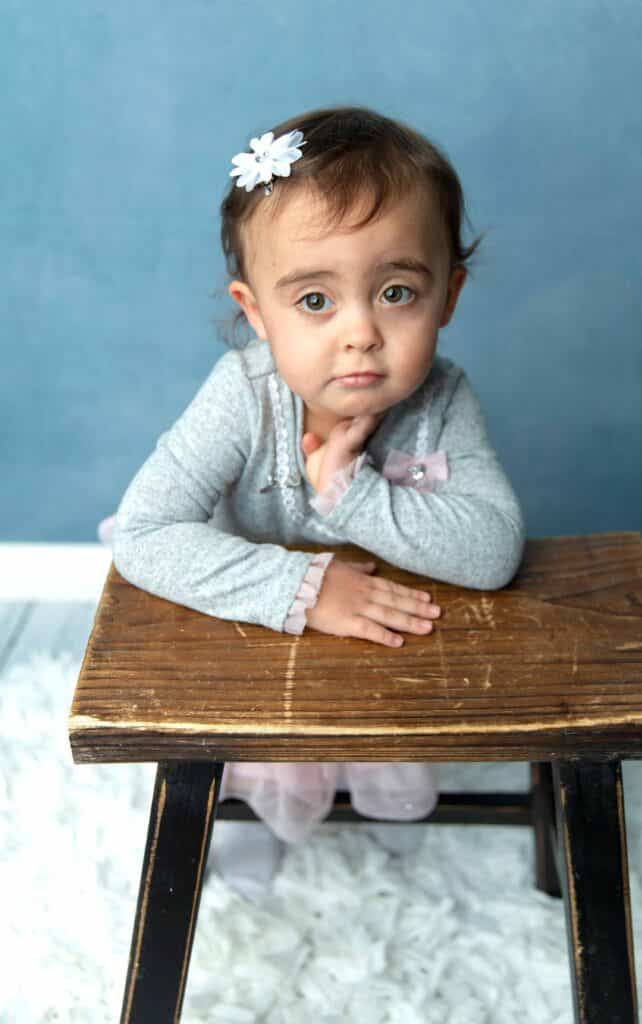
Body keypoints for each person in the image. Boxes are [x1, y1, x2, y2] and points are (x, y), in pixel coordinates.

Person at [110, 105, 525, 899]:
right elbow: (144, 533)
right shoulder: (244, 394)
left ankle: (372, 817)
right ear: (255, 312)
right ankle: (244, 822)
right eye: (313, 302)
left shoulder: (442, 398)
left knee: (385, 701)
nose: (360, 332)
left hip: (374, 636)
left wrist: (347, 494)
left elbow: (492, 552)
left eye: (396, 290)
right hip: (244, 615)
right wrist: (302, 588)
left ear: (449, 295)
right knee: (250, 749)